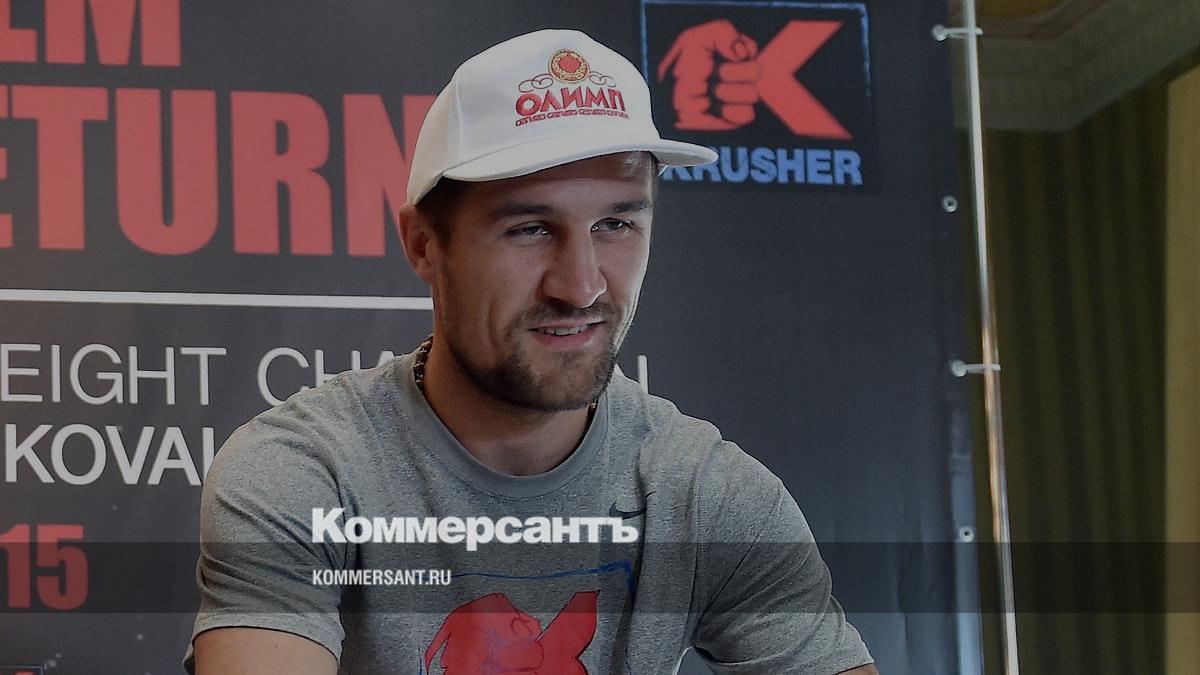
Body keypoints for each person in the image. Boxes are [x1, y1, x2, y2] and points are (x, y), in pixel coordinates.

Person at [186, 28, 877, 675]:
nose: (581, 285)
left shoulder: (706, 493)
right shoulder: (306, 473)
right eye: (530, 229)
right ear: (424, 244)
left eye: (616, 223)